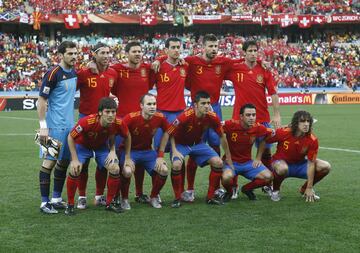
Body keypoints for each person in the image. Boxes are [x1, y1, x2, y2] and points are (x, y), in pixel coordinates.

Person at [153, 34, 233, 202]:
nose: (213, 49)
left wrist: (262, 63)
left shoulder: (223, 62)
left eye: (215, 46)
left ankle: (216, 188)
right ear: (203, 47)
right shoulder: (190, 61)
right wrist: (160, 59)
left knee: (215, 142)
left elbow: (243, 61)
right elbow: (171, 57)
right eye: (210, 46)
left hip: (215, 106)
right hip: (194, 108)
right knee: (191, 144)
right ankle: (187, 189)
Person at [225, 40, 281, 199]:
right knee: (236, 152)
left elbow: (273, 93)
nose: (253, 53)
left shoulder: (264, 70)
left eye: (255, 50)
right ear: (244, 52)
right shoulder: (235, 68)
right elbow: (219, 67)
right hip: (239, 119)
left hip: (262, 117)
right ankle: (234, 187)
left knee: (267, 151)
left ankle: (268, 185)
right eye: (249, 50)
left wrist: (276, 114)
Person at [165, 91, 234, 208]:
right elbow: (169, 132)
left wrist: (228, 157)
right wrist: (174, 150)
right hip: (180, 145)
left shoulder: (212, 116)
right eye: (203, 103)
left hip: (198, 144)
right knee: (176, 165)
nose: (207, 106)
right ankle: (177, 198)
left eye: (208, 103)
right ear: (195, 105)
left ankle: (210, 197)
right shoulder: (185, 116)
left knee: (218, 162)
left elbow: (222, 136)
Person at [65, 97, 133, 215]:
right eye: (107, 112)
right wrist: (75, 159)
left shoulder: (118, 122)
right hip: (83, 147)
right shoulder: (87, 121)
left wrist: (119, 154)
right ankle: (70, 205)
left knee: (115, 168)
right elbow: (71, 137)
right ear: (100, 112)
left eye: (113, 111)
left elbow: (127, 136)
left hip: (101, 148)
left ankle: (109, 203)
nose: (111, 115)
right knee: (75, 169)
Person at [111, 41, 155, 203]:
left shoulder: (147, 69)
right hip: (122, 121)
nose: (138, 54)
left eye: (140, 51)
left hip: (142, 122)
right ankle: (116, 195)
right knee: (118, 159)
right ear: (126, 53)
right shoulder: (117, 69)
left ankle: (139, 193)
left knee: (140, 157)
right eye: (134, 51)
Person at [37, 41, 78, 214]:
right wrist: (43, 126)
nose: (74, 56)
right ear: (61, 55)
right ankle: (44, 203)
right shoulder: (53, 73)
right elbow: (41, 100)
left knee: (64, 162)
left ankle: (56, 198)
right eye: (70, 53)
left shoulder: (74, 72)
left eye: (75, 53)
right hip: (53, 127)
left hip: (69, 126)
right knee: (49, 163)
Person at [76, 42, 118, 209]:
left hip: (104, 123)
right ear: (94, 54)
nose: (106, 55)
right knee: (83, 163)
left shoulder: (113, 73)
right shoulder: (84, 73)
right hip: (86, 120)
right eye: (102, 53)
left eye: (108, 52)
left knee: (103, 164)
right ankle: (81, 196)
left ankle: (100, 196)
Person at [265, 110, 331, 202]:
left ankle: (304, 189)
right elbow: (265, 139)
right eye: (303, 121)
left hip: (299, 165)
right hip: (279, 163)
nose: (306, 124)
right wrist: (260, 161)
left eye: (308, 121)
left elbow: (311, 163)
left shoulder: (312, 139)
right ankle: (275, 190)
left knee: (325, 166)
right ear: (296, 123)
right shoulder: (283, 132)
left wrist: (309, 187)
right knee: (282, 168)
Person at [120, 93, 170, 209]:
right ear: (141, 106)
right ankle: (124, 199)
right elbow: (116, 133)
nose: (152, 106)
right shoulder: (131, 118)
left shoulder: (160, 117)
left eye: (154, 104)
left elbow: (168, 132)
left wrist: (160, 155)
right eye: (149, 104)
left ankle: (153, 197)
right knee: (127, 171)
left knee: (164, 170)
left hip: (147, 152)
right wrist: (126, 157)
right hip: (130, 152)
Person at [221, 104, 274, 201]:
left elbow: (268, 135)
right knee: (226, 178)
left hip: (247, 163)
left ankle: (247, 189)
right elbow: (218, 128)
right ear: (241, 116)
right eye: (248, 115)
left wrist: (258, 157)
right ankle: (229, 192)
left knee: (269, 177)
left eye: (253, 115)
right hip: (231, 163)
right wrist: (227, 155)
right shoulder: (231, 124)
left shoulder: (258, 127)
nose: (251, 118)